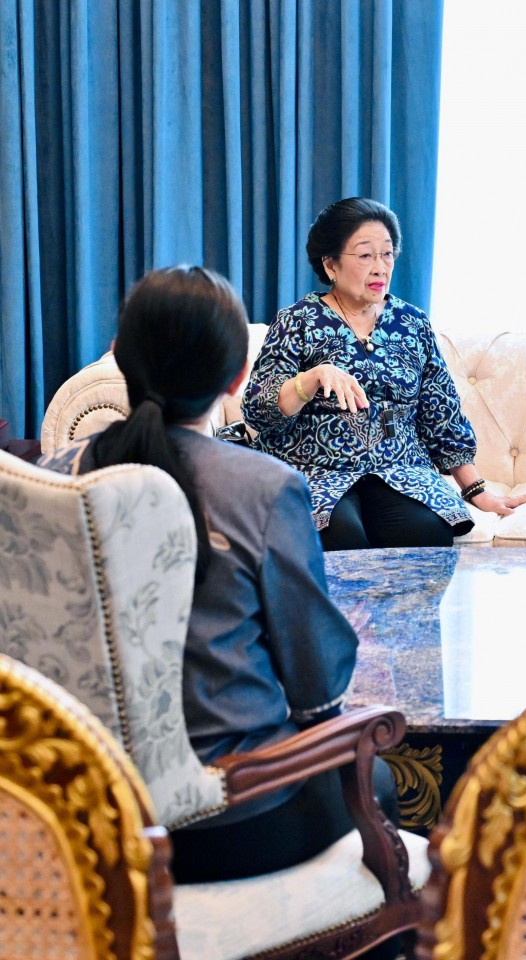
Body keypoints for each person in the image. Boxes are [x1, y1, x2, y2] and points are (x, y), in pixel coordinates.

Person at [38, 265, 397, 890]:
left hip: (81, 814)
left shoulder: (49, 475)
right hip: (226, 816)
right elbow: (318, 687)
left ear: (120, 357)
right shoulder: (263, 489)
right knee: (382, 780)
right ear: (237, 378)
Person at [243, 197, 526, 551]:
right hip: (314, 468)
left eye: (387, 254)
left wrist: (477, 491)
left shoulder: (412, 323)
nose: (380, 268)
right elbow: (259, 409)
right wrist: (310, 379)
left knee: (425, 533)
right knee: (337, 536)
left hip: (400, 469)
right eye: (365, 255)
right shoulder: (297, 321)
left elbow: (441, 416)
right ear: (331, 264)